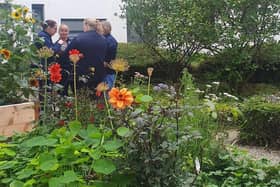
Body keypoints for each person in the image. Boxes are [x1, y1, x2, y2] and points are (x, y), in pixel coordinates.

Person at [63, 18, 107, 92]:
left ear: (86, 25)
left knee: (80, 98)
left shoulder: (78, 38)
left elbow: (66, 54)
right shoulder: (103, 39)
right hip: (98, 74)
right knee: (95, 99)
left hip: (81, 74)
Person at [55, 24, 72, 95]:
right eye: (62, 31)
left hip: (71, 68)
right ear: (59, 32)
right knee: (62, 89)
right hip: (61, 69)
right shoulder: (57, 43)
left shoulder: (71, 42)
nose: (64, 32)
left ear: (68, 32)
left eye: (66, 31)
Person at [102, 21, 118, 89]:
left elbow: (110, 57)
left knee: (108, 91)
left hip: (108, 71)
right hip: (106, 71)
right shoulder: (104, 39)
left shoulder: (111, 41)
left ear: (105, 28)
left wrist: (105, 62)